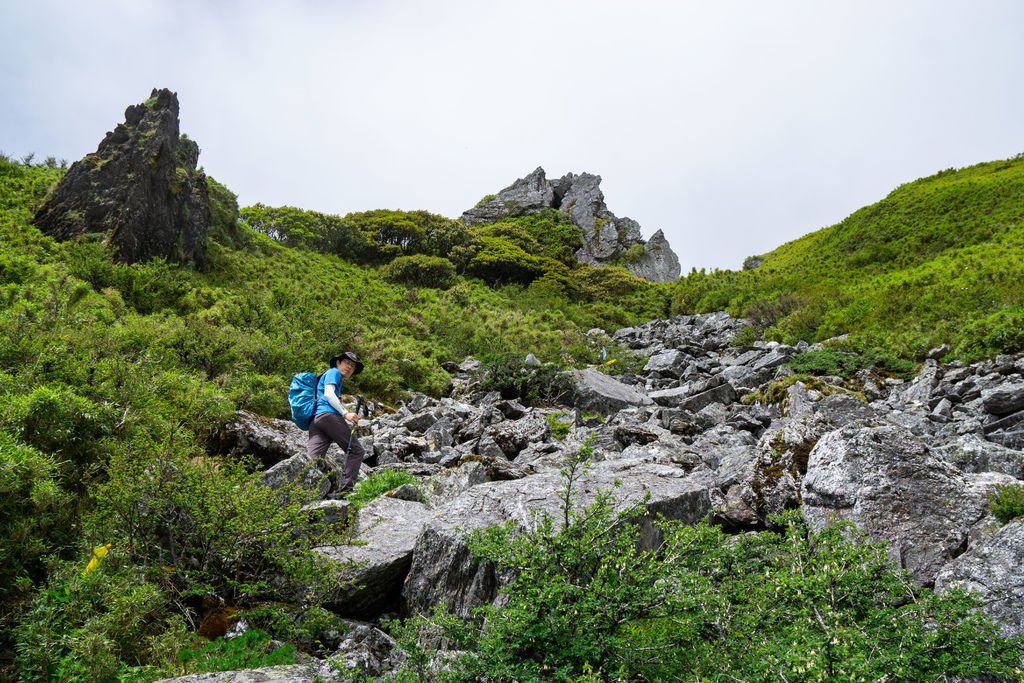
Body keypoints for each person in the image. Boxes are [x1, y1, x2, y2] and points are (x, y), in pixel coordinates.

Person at [307, 351, 366, 493]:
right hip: (328, 416)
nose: (349, 367)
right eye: (346, 362)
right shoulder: (334, 372)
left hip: (317, 420)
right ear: (338, 363)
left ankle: (303, 493)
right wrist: (345, 413)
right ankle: (345, 491)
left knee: (313, 460)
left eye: (352, 366)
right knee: (357, 451)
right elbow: (328, 393)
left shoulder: (332, 376)